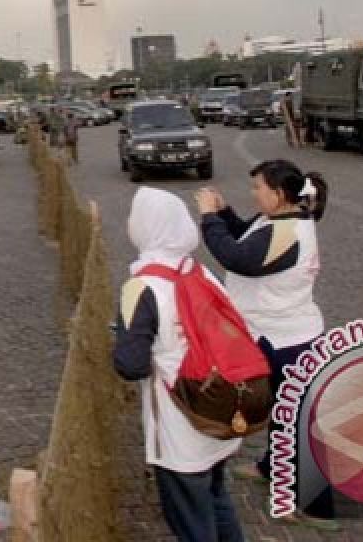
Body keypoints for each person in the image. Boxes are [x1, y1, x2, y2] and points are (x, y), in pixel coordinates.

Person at [195, 161, 337, 531]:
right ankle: (272, 467)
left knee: (298, 419)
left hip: (289, 339)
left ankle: (313, 504)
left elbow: (237, 257)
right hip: (275, 332)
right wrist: (225, 213)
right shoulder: (276, 223)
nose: (253, 193)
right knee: (282, 409)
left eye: (259, 187)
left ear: (280, 194)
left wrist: (209, 218)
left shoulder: (287, 233)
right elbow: (244, 234)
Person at [114, 187, 244, 542]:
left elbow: (131, 364)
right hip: (218, 412)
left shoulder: (139, 287)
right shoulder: (202, 273)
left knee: (190, 519)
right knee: (217, 498)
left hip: (179, 424)